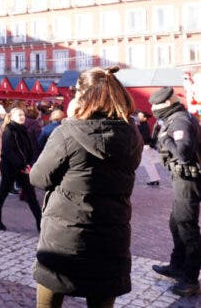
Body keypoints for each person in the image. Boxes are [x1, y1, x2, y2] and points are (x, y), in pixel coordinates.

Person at [30, 66, 142, 307]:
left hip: (66, 237)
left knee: (49, 299)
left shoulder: (68, 132)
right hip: (112, 234)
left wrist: (71, 120)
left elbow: (38, 177)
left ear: (83, 96)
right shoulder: (133, 135)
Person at [149, 86, 201, 296]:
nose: (153, 109)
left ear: (167, 104)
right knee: (176, 223)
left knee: (187, 228)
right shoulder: (175, 117)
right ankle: (176, 266)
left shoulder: (180, 120)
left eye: (157, 106)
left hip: (189, 181)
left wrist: (165, 139)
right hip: (182, 180)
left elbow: (184, 153)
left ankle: (190, 279)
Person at [0, 107, 42, 232]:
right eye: (19, 115)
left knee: (31, 197)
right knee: (2, 194)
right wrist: (22, 165)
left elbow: (28, 150)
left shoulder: (23, 130)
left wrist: (28, 163)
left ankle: (41, 224)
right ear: (11, 117)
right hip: (10, 168)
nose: (22, 117)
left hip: (22, 167)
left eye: (23, 114)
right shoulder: (9, 130)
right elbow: (9, 152)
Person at [136, 110, 161, 186]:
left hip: (145, 147)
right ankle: (155, 179)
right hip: (146, 146)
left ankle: (154, 179)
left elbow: (143, 137)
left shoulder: (143, 126)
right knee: (149, 163)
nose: (138, 117)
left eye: (139, 116)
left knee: (148, 164)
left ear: (144, 118)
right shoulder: (142, 125)